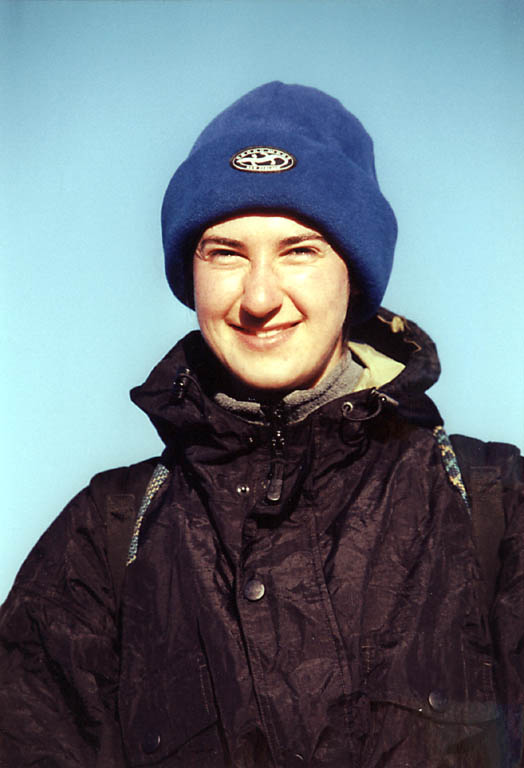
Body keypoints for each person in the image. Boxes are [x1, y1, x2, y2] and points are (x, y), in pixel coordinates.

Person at [0, 82, 522, 768]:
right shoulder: (104, 539)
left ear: (354, 278)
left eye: (299, 250)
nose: (259, 297)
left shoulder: (493, 506)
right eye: (225, 252)